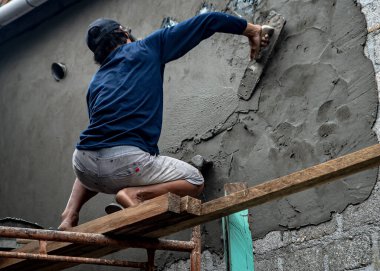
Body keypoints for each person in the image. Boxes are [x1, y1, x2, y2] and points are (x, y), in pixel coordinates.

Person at [58, 12, 271, 230]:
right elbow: (208, 21)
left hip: (83, 164)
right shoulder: (146, 47)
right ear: (123, 33)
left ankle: (69, 214)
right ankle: (135, 195)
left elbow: (103, 140)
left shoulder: (96, 82)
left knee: (98, 150)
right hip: (126, 163)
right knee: (194, 180)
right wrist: (251, 30)